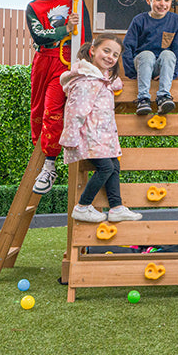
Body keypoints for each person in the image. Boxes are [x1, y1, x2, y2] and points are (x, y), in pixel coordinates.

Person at [59, 33, 142, 223]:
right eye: (106, 51)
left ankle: (116, 207)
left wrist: (114, 82)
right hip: (90, 136)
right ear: (92, 50)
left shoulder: (100, 78)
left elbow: (112, 83)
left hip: (102, 136)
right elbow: (76, 111)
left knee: (114, 166)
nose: (110, 57)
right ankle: (82, 206)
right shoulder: (85, 81)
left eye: (115, 55)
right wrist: (70, 138)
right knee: (105, 168)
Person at [27, 0, 91, 194]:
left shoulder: (74, 3)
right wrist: (66, 27)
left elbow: (87, 35)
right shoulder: (33, 6)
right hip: (43, 60)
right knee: (37, 110)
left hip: (64, 62)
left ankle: (50, 165)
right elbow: (39, 35)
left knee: (52, 109)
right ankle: (42, 156)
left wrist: (84, 64)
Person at [122, 0, 178, 116]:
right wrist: (132, 73)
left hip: (162, 67)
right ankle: (143, 99)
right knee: (147, 54)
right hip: (142, 64)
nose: (163, 4)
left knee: (168, 54)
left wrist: (172, 75)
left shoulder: (175, 20)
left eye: (167, 0)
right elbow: (127, 47)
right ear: (148, 0)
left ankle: (163, 97)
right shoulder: (139, 20)